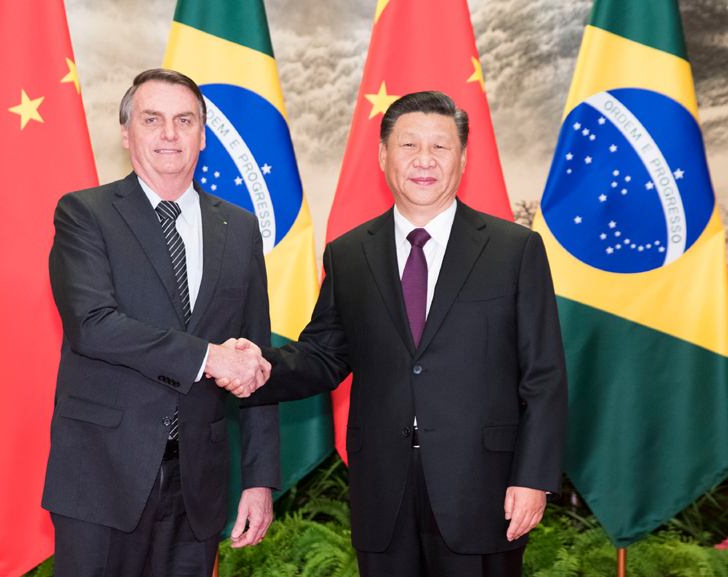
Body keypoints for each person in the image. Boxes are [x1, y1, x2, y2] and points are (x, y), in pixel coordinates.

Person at [233, 91, 567, 577]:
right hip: (382, 490)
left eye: (440, 146)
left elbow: (544, 375)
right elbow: (324, 355)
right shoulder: (349, 254)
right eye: (409, 145)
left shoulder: (514, 250)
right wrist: (255, 366)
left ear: (463, 158)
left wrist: (533, 478)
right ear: (383, 155)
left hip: (484, 488)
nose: (424, 160)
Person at [42, 68, 279, 577]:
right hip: (101, 479)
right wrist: (208, 357)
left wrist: (260, 479)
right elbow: (93, 325)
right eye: (152, 119)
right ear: (126, 133)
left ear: (202, 136)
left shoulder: (239, 229)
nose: (170, 134)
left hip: (198, 485)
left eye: (184, 120)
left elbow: (253, 357)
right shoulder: (85, 214)